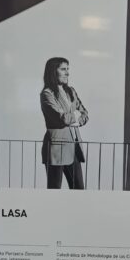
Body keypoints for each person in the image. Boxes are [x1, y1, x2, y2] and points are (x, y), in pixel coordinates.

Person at [40, 57, 89, 189]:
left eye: (68, 69)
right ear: (53, 71)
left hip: (74, 147)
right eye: (63, 69)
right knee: (54, 190)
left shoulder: (71, 91)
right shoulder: (47, 94)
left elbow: (84, 113)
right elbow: (61, 118)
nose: (67, 73)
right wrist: (75, 116)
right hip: (56, 149)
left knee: (79, 189)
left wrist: (76, 118)